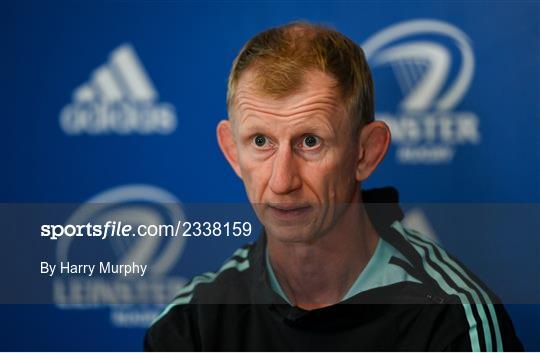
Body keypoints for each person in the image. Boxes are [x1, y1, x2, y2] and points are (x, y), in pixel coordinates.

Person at [144, 21, 523, 351]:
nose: (281, 182)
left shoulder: (451, 319)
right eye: (260, 142)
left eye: (310, 142)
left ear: (365, 153)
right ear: (231, 151)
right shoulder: (191, 326)